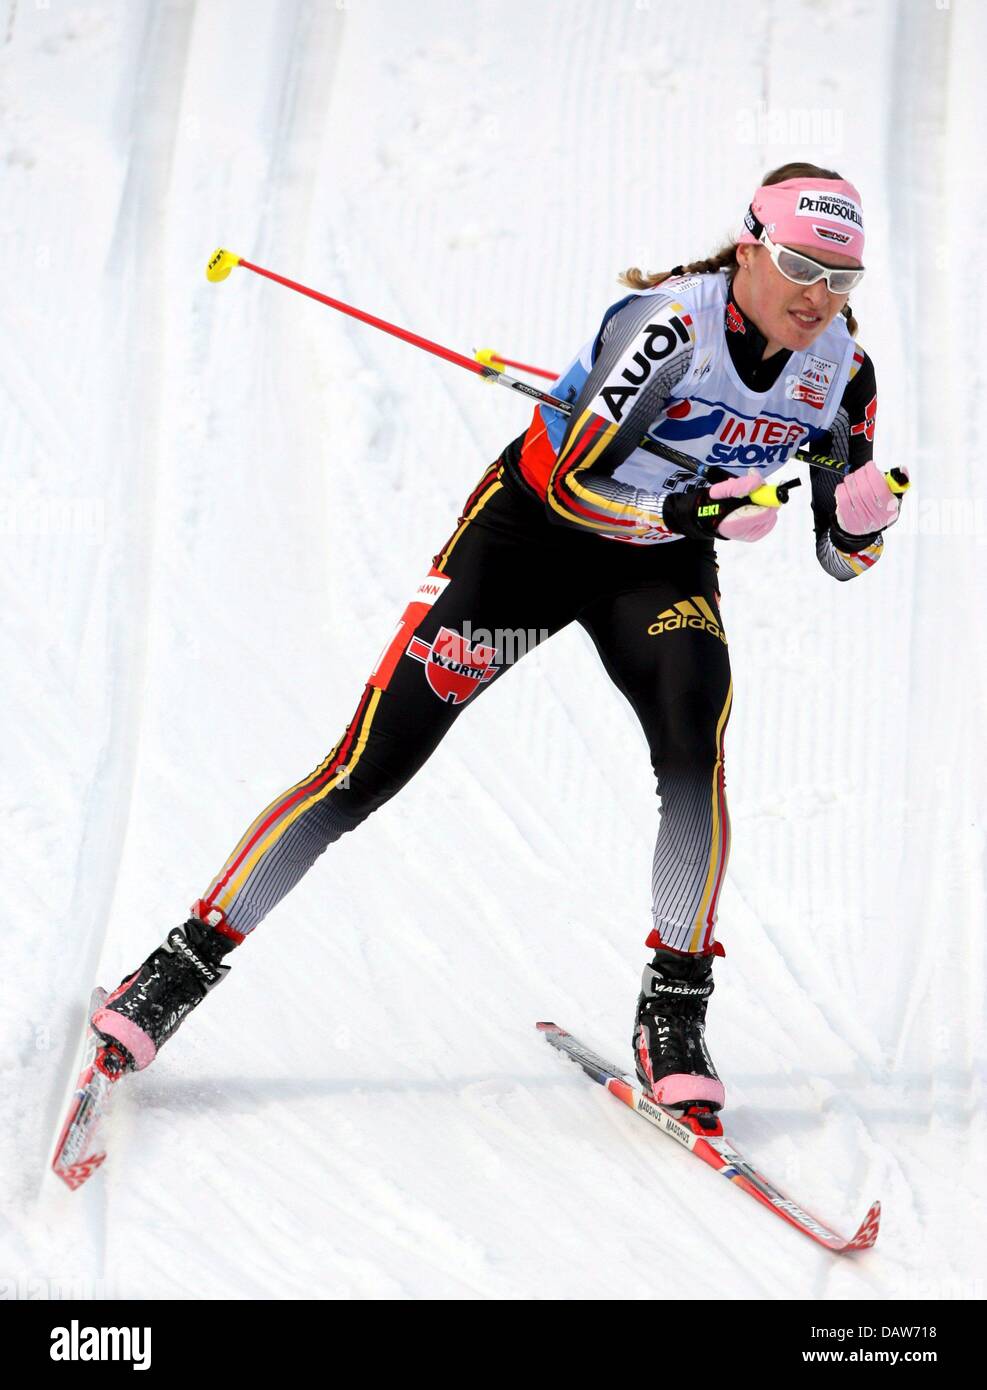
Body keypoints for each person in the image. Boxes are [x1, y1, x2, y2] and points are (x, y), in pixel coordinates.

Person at [93, 162, 903, 1112]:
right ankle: (179, 968)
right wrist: (691, 509)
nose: (817, 298)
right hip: (530, 543)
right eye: (802, 266)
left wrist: (858, 526)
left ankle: (673, 1012)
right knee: (372, 765)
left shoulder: (840, 373)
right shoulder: (669, 327)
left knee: (694, 745)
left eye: (840, 279)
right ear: (751, 246)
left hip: (653, 574)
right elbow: (573, 485)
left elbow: (841, 561)